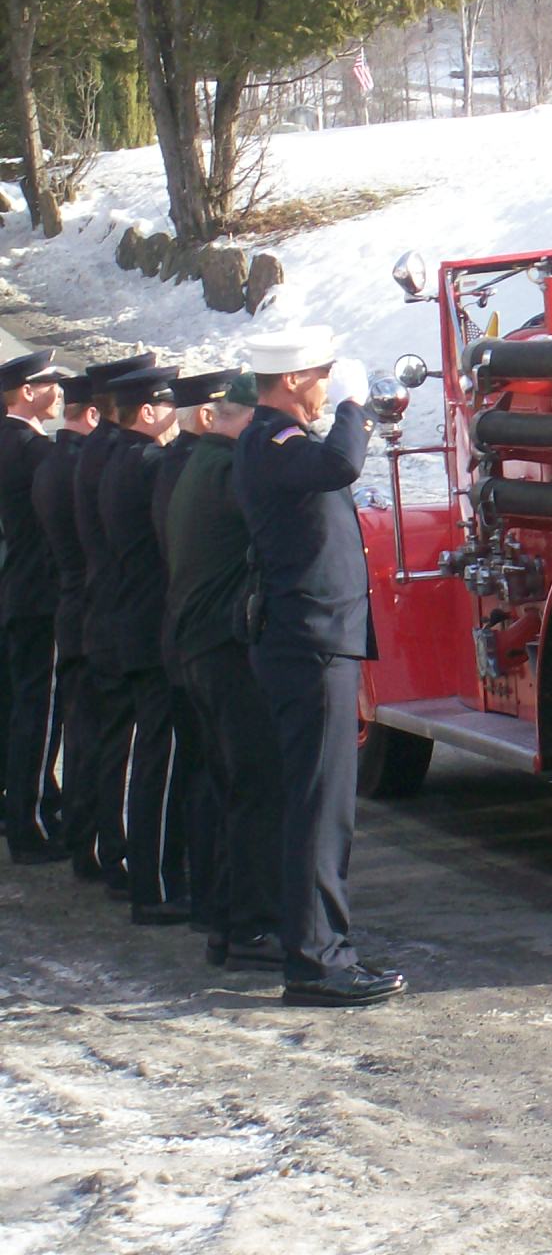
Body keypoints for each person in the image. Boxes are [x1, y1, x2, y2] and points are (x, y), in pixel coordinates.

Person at [236, 327, 402, 1006]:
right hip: (310, 642)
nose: (330, 384)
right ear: (294, 380)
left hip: (313, 638)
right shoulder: (277, 442)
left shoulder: (280, 442)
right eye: (323, 374)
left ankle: (314, 945)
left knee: (317, 803)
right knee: (321, 807)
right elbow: (341, 466)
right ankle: (317, 961)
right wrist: (355, 410)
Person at [166, 372, 282, 968]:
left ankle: (224, 918)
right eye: (254, 422)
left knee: (228, 785)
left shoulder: (199, 465)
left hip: (199, 647)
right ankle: (251, 925)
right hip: (224, 648)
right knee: (255, 787)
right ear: (231, 417)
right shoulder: (226, 469)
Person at [98, 364, 188, 923]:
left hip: (128, 619)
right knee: (158, 756)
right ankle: (151, 886)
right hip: (150, 624)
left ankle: (146, 874)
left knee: (147, 751)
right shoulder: (149, 463)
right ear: (149, 411)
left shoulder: (116, 459)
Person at [153, 369, 237, 943]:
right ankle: (212, 897)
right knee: (211, 775)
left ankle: (208, 894)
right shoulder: (196, 469)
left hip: (182, 636)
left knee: (203, 772)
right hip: (199, 638)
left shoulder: (173, 464)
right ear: (207, 416)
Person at [72, 351, 159, 893]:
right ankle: (119, 854)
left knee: (107, 739)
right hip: (123, 610)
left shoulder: (94, 452)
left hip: (103, 607)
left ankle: (101, 846)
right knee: (125, 745)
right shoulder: (121, 457)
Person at [33, 372, 101, 878]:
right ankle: (89, 835)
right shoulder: (81, 467)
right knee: (92, 730)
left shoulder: (55, 461)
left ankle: (80, 830)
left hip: (72, 605)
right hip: (88, 607)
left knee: (81, 726)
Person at [0, 350, 66, 863]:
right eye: (50, 382)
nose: (59, 391)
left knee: (16, 705)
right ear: (26, 392)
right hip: (39, 591)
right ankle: (31, 822)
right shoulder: (32, 450)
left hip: (15, 588)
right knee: (37, 713)